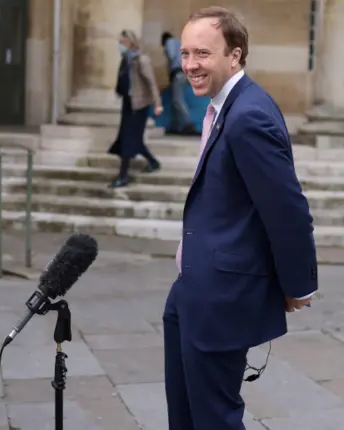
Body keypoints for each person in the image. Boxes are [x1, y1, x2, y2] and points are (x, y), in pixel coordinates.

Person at [163, 7, 317, 429]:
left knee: (213, 418)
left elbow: (286, 209)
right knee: (187, 415)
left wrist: (297, 284)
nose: (191, 65)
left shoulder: (248, 115)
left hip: (221, 299)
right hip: (192, 290)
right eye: (186, 53)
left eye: (203, 54)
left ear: (235, 55)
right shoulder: (224, 106)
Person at [108, 29, 163, 188]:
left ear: (130, 43)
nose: (120, 46)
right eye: (120, 43)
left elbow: (151, 83)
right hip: (128, 103)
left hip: (139, 106)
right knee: (133, 139)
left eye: (123, 43)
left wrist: (157, 103)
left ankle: (123, 175)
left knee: (128, 139)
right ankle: (153, 162)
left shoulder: (141, 60)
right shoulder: (125, 60)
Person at [161, 31, 196, 135]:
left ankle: (188, 124)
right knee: (176, 100)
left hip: (179, 73)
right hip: (186, 74)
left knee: (177, 100)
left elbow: (171, 56)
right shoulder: (179, 43)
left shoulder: (169, 42)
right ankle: (176, 126)